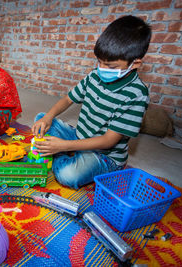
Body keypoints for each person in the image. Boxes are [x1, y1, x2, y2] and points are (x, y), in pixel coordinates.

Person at [31, 15, 152, 189]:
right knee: (41, 118)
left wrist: (62, 146)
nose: (102, 69)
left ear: (135, 63)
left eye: (111, 67)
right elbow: (68, 99)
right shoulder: (95, 75)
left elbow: (108, 141)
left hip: (104, 154)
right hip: (79, 137)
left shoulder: (136, 94)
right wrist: (48, 117)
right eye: (99, 62)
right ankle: (65, 150)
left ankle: (60, 154)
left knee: (68, 176)